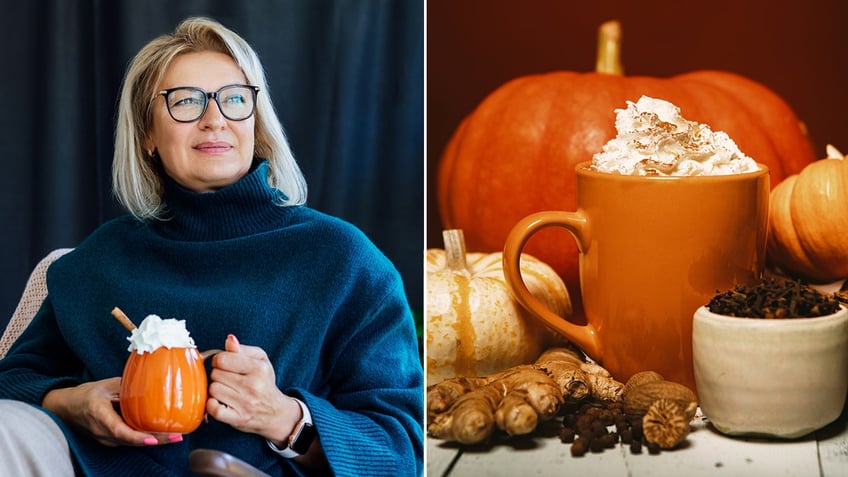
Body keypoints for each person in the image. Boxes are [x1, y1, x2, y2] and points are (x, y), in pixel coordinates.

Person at [0, 16, 423, 477]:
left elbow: (403, 446)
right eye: (185, 102)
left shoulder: (343, 260)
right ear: (147, 135)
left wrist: (283, 418)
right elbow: (12, 380)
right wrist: (69, 402)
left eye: (234, 100)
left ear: (256, 122)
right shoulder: (99, 261)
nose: (215, 119)